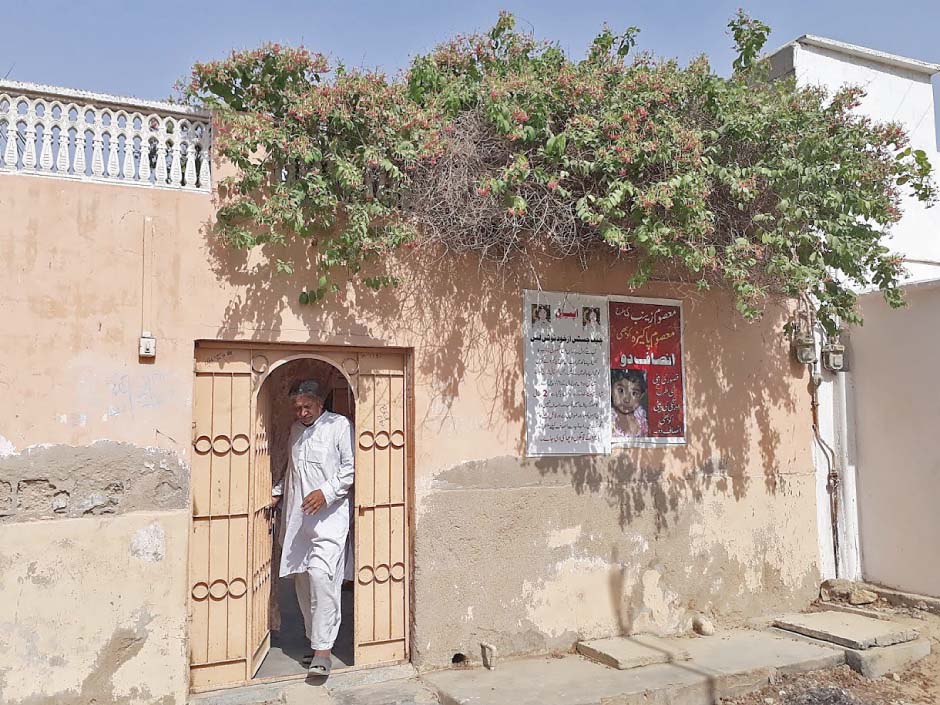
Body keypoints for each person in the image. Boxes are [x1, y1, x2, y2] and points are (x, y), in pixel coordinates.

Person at [271, 379, 354, 677]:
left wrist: (326, 492)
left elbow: (350, 469)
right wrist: (277, 491)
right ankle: (315, 641)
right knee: (303, 581)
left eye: (307, 406)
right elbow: (293, 470)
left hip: (329, 518)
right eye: (297, 408)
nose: (302, 412)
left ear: (320, 403)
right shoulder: (296, 431)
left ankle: (323, 651)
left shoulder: (339, 426)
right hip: (298, 518)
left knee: (323, 577)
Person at [611, 369, 648, 438]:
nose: (627, 399)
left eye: (634, 393)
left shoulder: (641, 420)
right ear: (611, 389)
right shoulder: (609, 418)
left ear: (641, 396)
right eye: (621, 390)